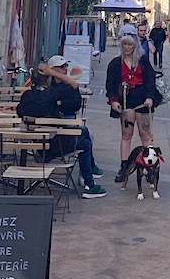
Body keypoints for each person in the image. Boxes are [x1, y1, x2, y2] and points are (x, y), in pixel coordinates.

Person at [17, 56, 106, 198]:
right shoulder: (51, 94)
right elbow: (74, 85)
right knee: (85, 143)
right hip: (54, 145)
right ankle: (89, 184)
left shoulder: (26, 96)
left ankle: (90, 172)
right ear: (48, 79)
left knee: (83, 132)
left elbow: (19, 112)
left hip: (36, 144)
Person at [105, 33, 159, 183]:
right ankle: (124, 166)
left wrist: (150, 97)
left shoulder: (143, 61)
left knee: (145, 135)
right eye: (125, 44)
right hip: (125, 102)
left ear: (135, 46)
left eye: (130, 45)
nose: (127, 47)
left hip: (143, 102)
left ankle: (150, 167)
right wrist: (113, 100)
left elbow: (150, 80)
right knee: (126, 135)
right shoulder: (115, 63)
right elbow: (110, 84)